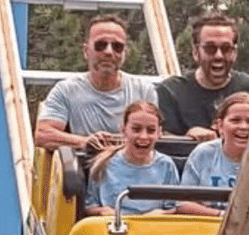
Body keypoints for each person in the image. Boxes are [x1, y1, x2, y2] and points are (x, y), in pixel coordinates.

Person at [35, 15, 157, 151]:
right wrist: (86, 142)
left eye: (117, 46)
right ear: (86, 51)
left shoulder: (144, 91)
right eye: (101, 45)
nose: (109, 52)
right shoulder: (66, 90)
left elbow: (154, 138)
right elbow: (43, 135)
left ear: (124, 54)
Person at [176, 92, 249, 218]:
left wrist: (235, 218)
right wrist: (221, 216)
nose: (244, 127)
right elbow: (183, 203)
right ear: (220, 125)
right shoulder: (203, 154)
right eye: (235, 120)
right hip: (206, 226)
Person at [156, 14, 249, 141]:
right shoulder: (170, 91)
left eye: (226, 49)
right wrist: (187, 137)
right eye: (210, 49)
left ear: (234, 53)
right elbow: (160, 140)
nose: (219, 56)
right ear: (196, 52)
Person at [85, 101, 179, 216]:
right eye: (136, 129)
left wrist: (160, 214)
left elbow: (173, 207)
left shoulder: (166, 165)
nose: (144, 136)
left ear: (159, 133)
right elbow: (90, 206)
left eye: (151, 131)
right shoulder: (103, 163)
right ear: (124, 130)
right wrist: (103, 211)